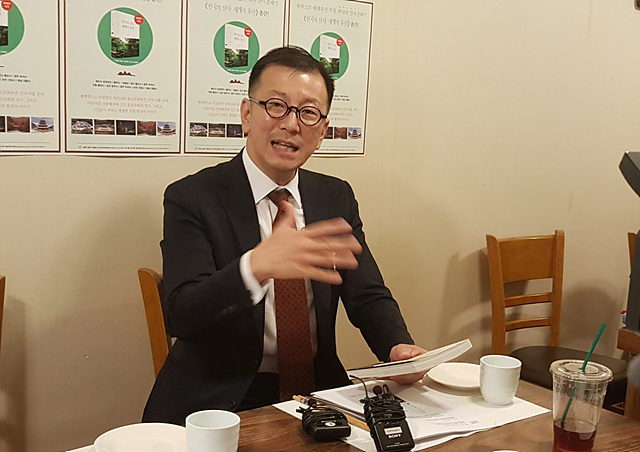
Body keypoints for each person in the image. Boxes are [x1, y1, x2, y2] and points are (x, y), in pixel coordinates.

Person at [142, 46, 426, 425]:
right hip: (222, 397)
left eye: (308, 113)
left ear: (322, 131)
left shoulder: (334, 196)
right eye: (276, 105)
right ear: (247, 114)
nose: (291, 125)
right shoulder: (192, 197)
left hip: (316, 391)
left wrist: (396, 347)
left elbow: (367, 294)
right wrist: (255, 267)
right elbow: (183, 315)